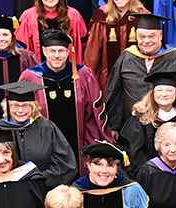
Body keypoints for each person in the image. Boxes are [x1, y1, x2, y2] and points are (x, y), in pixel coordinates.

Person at [19, 29, 112, 171]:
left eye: (61, 51)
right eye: (52, 51)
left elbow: (95, 112)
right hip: (43, 146)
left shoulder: (83, 74)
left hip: (79, 145)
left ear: (68, 52)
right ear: (44, 51)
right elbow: (20, 113)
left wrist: (100, 143)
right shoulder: (30, 77)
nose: (57, 56)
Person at [104, 13, 176, 133]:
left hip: (170, 129)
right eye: (141, 36)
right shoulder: (127, 57)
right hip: (133, 129)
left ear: (160, 35)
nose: (146, 41)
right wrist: (114, 126)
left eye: (152, 36)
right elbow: (115, 94)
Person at [0, 80, 77, 188]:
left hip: (42, 189)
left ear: (33, 108)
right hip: (8, 190)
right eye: (15, 105)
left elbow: (65, 163)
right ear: (7, 107)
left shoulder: (46, 127)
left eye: (26, 106)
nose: (20, 110)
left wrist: (38, 180)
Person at [119, 71, 176, 176]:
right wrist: (151, 171)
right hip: (148, 175)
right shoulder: (140, 119)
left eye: (169, 90)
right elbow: (135, 152)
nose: (164, 94)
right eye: (159, 90)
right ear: (153, 93)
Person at [85, 0, 149, 92]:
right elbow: (92, 53)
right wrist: (88, 79)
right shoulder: (102, 15)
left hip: (138, 80)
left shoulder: (144, 15)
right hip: (106, 81)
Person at [15, 0, 87, 62]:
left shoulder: (73, 15)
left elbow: (83, 45)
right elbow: (21, 48)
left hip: (69, 71)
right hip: (38, 72)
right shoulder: (28, 16)